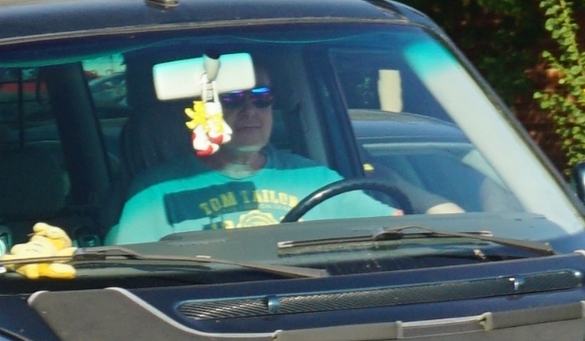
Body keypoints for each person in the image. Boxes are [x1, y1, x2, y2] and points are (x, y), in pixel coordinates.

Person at [108, 83, 394, 243]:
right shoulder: (157, 193)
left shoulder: (315, 179)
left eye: (261, 97)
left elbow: (396, 230)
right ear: (205, 110)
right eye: (232, 98)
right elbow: (134, 277)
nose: (249, 110)